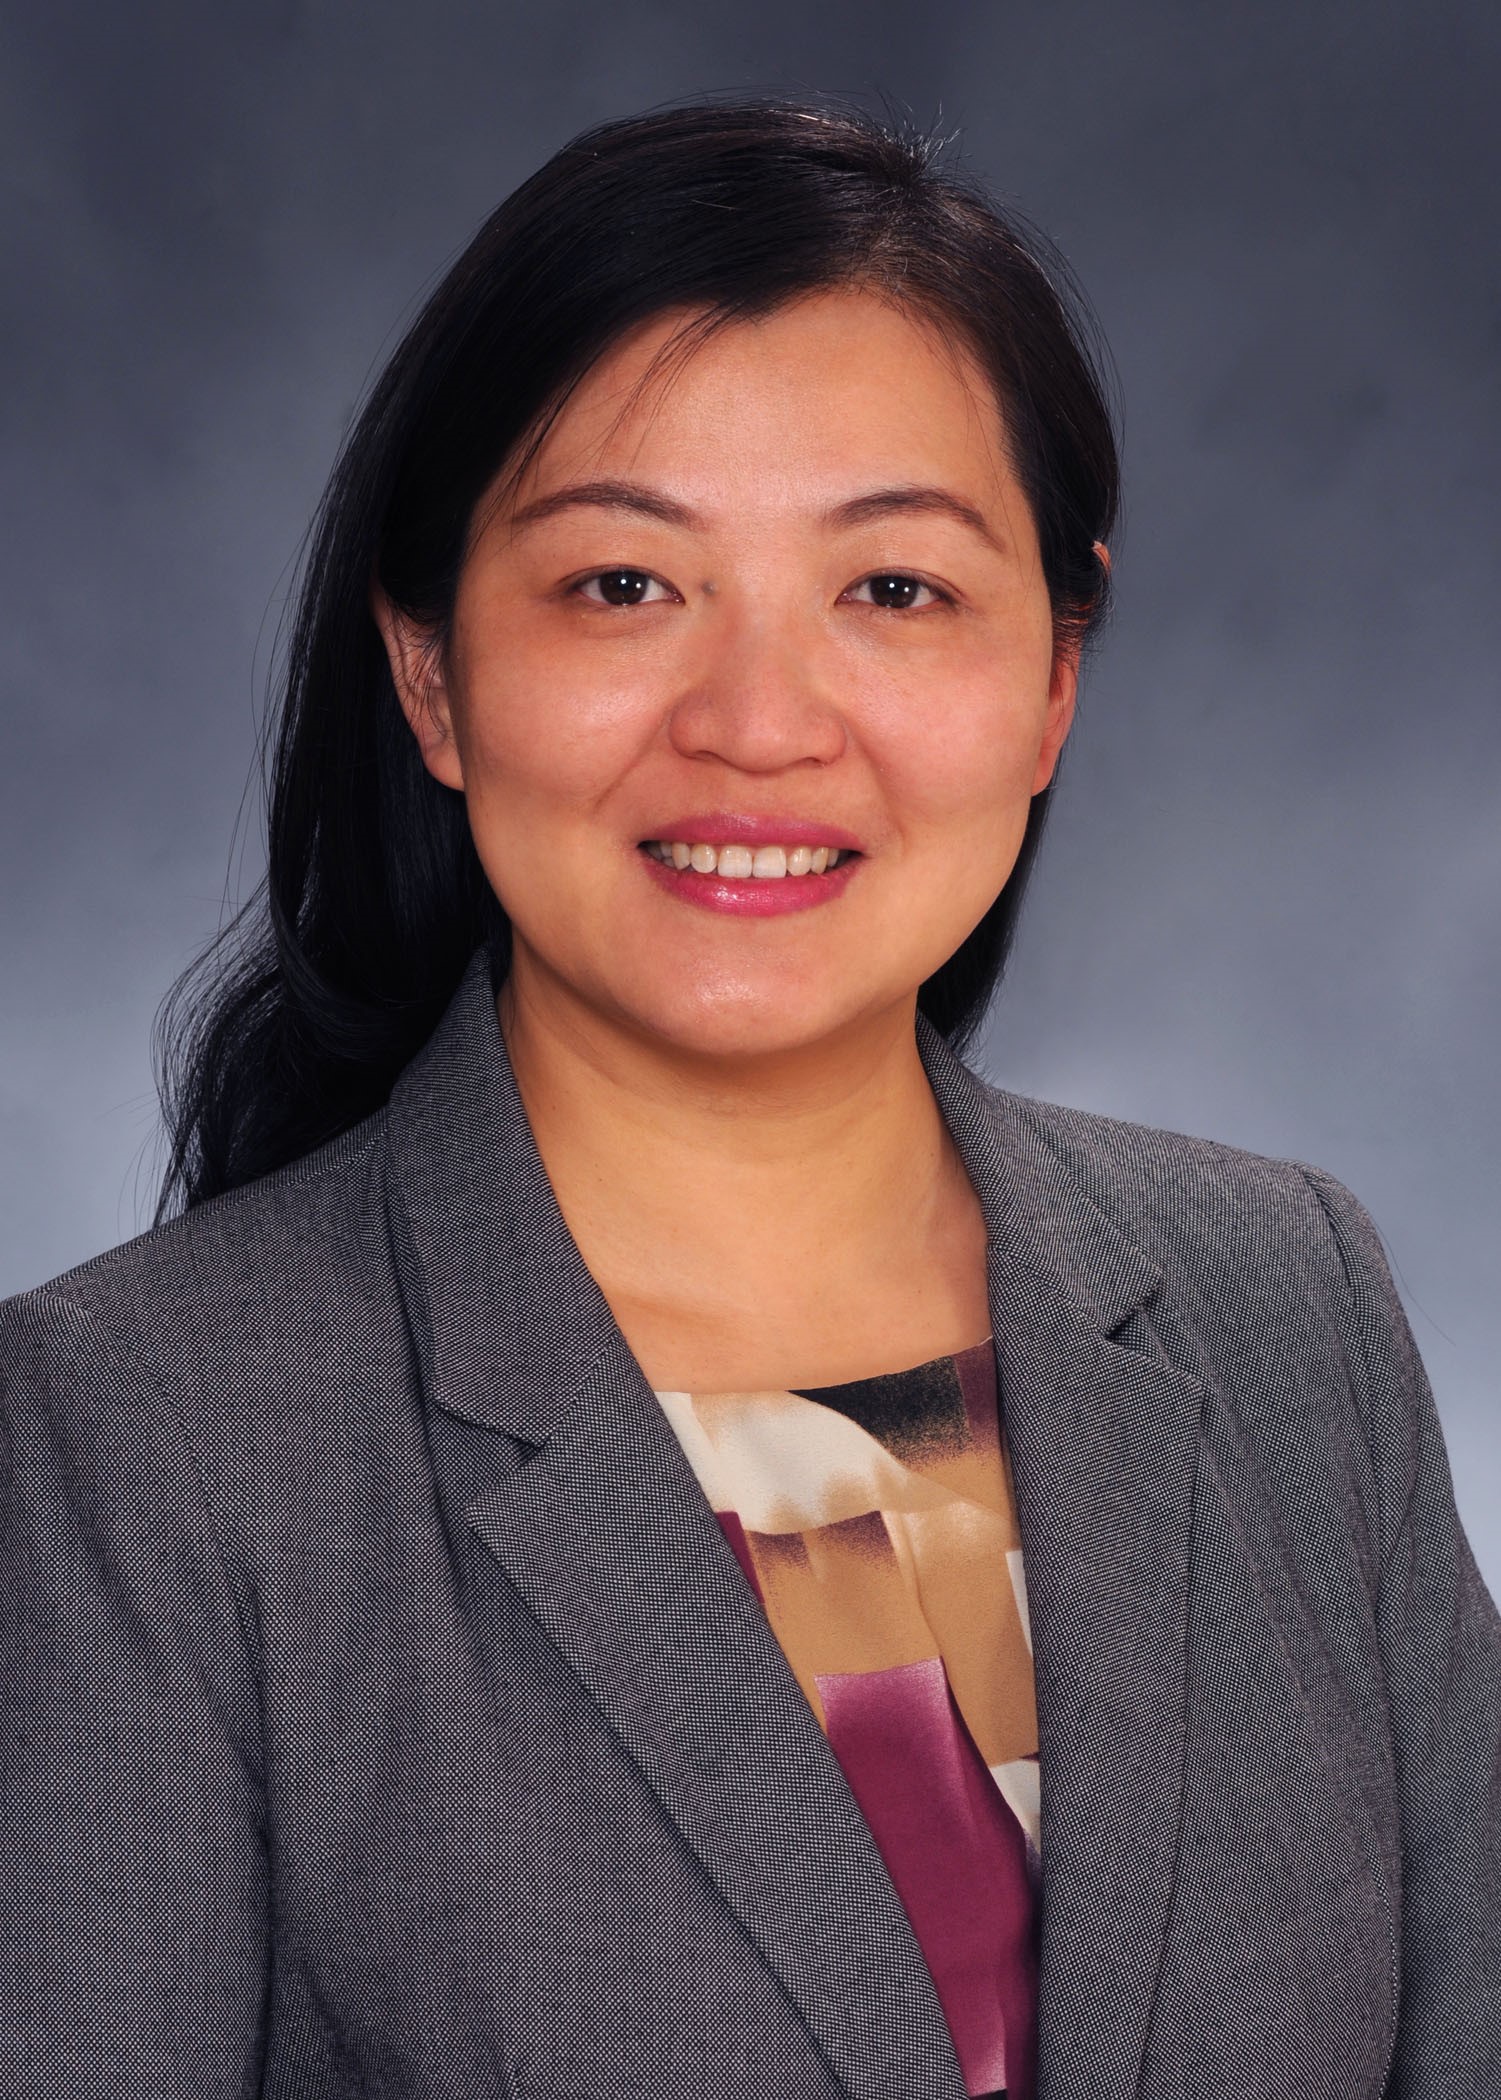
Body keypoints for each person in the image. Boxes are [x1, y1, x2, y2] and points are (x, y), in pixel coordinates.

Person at [1, 93, 1496, 2100]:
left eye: (893, 590)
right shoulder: (132, 1441)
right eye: (624, 586)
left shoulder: (1284, 1303)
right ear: (433, 679)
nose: (758, 727)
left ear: (1054, 672)